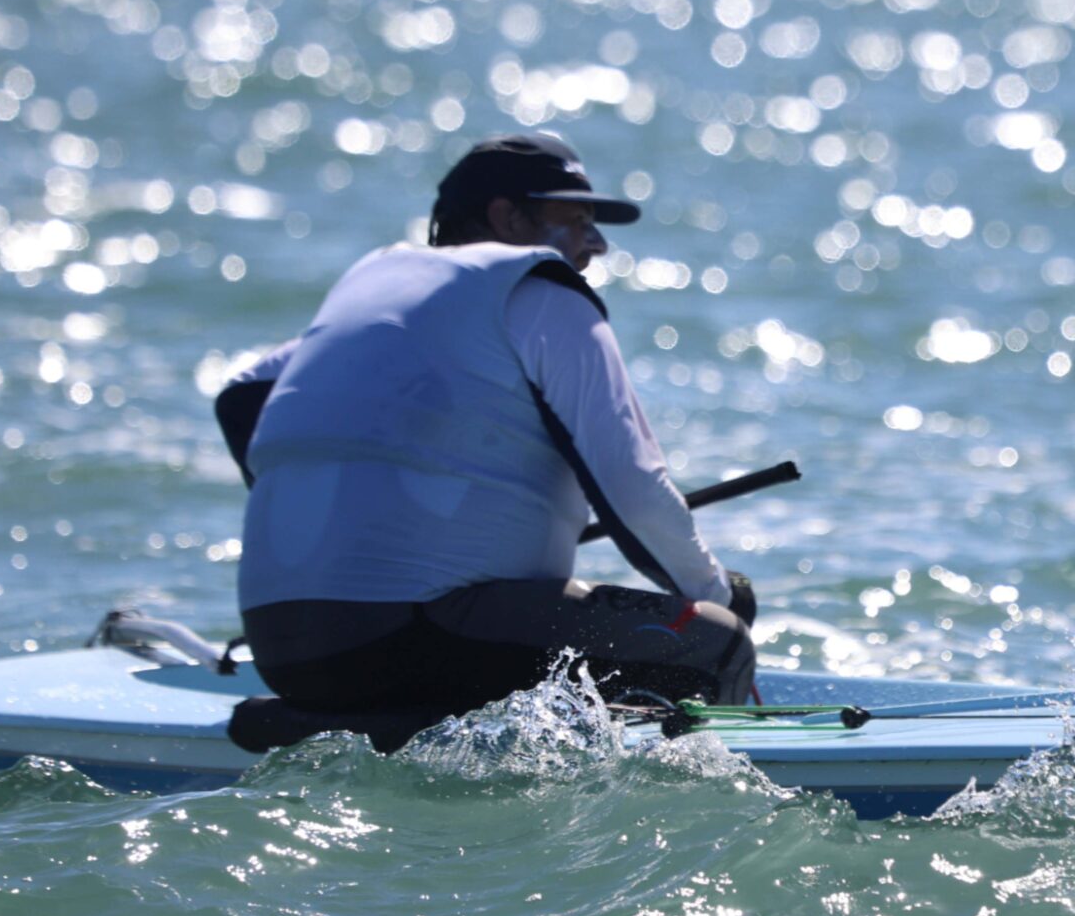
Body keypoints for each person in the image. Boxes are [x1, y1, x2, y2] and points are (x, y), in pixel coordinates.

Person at [214, 131, 755, 722]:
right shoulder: (543, 290)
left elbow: (242, 397)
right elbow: (635, 492)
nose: (597, 243)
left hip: (285, 647)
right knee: (714, 643)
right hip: (416, 640)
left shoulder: (374, 284)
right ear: (508, 217)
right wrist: (718, 595)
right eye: (577, 220)